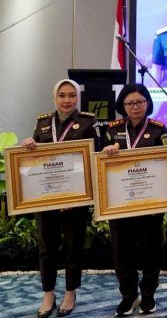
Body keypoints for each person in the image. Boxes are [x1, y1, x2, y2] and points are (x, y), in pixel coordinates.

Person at [21, 80, 99, 318]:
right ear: (54, 97)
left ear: (78, 98)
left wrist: (77, 195)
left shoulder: (88, 122)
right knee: (47, 248)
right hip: (46, 197)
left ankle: (70, 292)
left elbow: (94, 159)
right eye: (62, 95)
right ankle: (48, 293)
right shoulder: (43, 123)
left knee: (73, 246)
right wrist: (29, 145)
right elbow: (35, 158)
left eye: (72, 95)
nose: (67, 100)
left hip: (75, 198)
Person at [101, 83, 167, 316]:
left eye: (139, 102)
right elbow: (100, 164)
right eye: (129, 103)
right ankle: (129, 296)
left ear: (147, 103)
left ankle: (148, 295)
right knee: (122, 253)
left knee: (151, 253)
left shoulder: (159, 130)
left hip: (150, 204)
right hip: (120, 203)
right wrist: (107, 151)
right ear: (122, 105)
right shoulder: (111, 131)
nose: (135, 107)